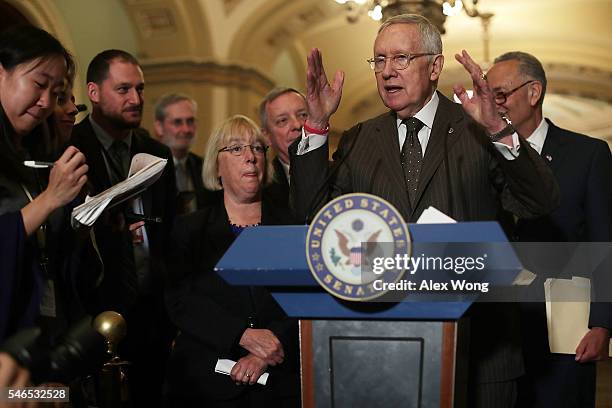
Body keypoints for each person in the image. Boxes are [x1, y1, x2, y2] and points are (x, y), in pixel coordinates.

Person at [289, 14, 560, 407]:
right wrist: (315, 124)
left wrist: (500, 131)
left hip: (480, 350)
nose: (386, 71)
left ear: (434, 66)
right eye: (378, 60)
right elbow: (314, 215)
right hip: (383, 347)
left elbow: (540, 202)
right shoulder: (362, 137)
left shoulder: (475, 130)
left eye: (400, 58)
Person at [485, 51, 612, 408]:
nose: (494, 105)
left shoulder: (588, 154)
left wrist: (602, 324)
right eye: (488, 96)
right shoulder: (481, 156)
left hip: (565, 330)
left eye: (501, 94)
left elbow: (604, 242)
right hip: (497, 334)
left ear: (533, 92)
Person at [164, 114, 299, 407]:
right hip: (204, 386)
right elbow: (180, 301)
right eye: (236, 149)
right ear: (216, 165)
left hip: (278, 385)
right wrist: (241, 335)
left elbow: (304, 301)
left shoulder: (292, 227)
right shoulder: (190, 229)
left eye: (258, 148)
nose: (250, 157)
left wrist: (265, 352)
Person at [69, 49, 176, 407]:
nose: (136, 99)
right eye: (124, 89)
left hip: (153, 314)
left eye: (140, 89)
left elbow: (169, 232)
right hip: (92, 310)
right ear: (94, 93)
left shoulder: (157, 152)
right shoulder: (71, 147)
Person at [0, 25, 87, 342]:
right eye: (38, 85)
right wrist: (50, 199)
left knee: (55, 395)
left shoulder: (32, 151)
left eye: (57, 92)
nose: (45, 102)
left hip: (42, 327)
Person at [154, 93, 212, 214]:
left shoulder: (204, 167)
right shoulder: (148, 170)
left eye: (190, 121)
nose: (186, 129)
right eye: (177, 122)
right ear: (159, 127)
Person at [258, 87, 308, 207]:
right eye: (283, 120)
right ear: (267, 137)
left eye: (302, 115)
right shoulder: (260, 187)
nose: (297, 125)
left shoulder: (340, 175)